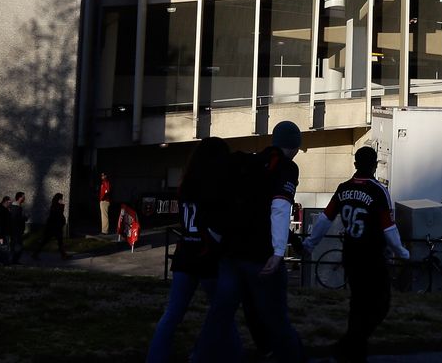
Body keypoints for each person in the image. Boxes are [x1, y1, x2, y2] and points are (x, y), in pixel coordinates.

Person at [194, 119, 304, 363]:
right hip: (259, 255)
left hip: (230, 253)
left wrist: (218, 237)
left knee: (219, 316)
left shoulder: (249, 161)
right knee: (277, 319)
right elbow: (279, 206)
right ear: (295, 146)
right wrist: (277, 252)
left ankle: (198, 358)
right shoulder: (286, 167)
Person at [306, 147, 409, 363]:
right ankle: (350, 344)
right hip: (372, 257)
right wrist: (401, 252)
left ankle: (353, 351)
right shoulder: (378, 191)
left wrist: (310, 242)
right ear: (374, 165)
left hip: (350, 254)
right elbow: (388, 228)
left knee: (358, 302)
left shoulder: (343, 188)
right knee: (381, 304)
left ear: (355, 164)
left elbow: (325, 219)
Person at [146, 138, 235, 363]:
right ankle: (218, 355)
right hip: (208, 257)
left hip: (185, 253)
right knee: (221, 314)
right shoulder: (217, 186)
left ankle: (155, 357)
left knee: (173, 313)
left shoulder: (186, 184)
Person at [30, 192, 69, 261]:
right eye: (61, 199)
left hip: (56, 227)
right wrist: (62, 206)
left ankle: (63, 255)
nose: (62, 200)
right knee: (46, 241)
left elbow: (60, 215)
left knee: (60, 242)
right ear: (58, 199)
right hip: (53, 228)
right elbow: (58, 216)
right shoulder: (55, 207)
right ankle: (35, 254)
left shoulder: (56, 206)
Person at [98, 172, 114, 239]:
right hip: (104, 200)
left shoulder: (106, 182)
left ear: (106, 176)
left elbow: (107, 191)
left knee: (104, 216)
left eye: (103, 175)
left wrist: (103, 198)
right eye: (101, 175)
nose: (102, 176)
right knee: (103, 216)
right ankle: (104, 230)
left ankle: (105, 231)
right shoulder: (103, 182)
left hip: (105, 201)